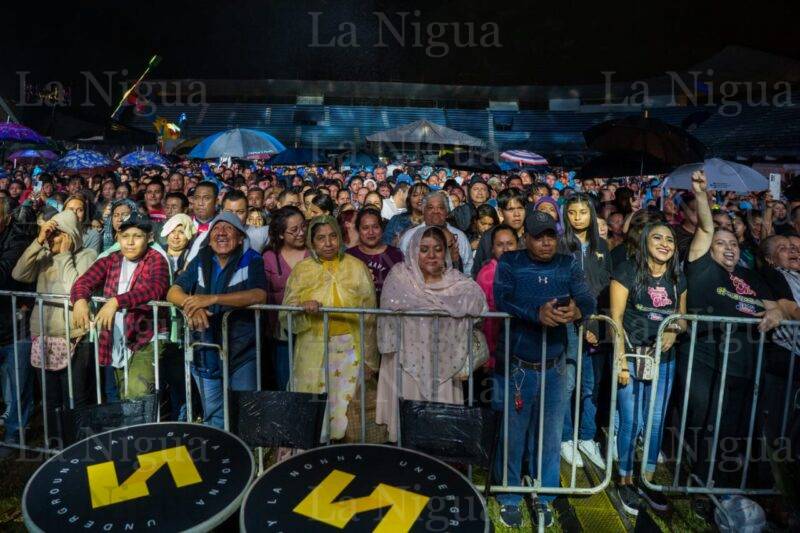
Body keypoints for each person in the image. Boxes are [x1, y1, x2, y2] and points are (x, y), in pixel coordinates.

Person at [681, 171, 787, 491]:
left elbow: (776, 306)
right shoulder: (702, 268)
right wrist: (702, 195)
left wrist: (777, 315)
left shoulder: (750, 277)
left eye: (733, 243)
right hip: (706, 362)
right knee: (704, 426)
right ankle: (700, 482)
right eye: (720, 243)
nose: (729, 248)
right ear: (708, 249)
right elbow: (705, 227)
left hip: (744, 366)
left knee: (732, 428)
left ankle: (728, 483)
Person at [491, 210, 596, 528]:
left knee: (550, 436)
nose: (546, 241)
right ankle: (509, 494)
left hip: (555, 367)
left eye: (550, 235)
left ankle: (545, 494)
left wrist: (579, 308)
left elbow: (589, 299)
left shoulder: (568, 264)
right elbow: (501, 300)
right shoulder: (510, 262)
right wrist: (535, 313)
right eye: (539, 236)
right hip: (518, 366)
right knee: (513, 434)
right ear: (526, 238)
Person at [376, 224, 487, 440]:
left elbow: (479, 304)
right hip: (406, 360)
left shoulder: (458, 282)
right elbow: (388, 308)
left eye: (438, 249)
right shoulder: (400, 277)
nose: (431, 255)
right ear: (414, 250)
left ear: (445, 251)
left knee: (439, 431)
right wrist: (444, 308)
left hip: (444, 361)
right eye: (424, 249)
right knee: (406, 429)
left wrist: (441, 307)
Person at [279, 216, 383, 442]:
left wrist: (369, 360)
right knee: (315, 406)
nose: (328, 244)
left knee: (346, 407)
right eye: (321, 238)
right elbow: (285, 313)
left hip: (351, 350)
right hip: (313, 350)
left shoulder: (357, 268)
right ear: (312, 242)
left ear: (340, 237)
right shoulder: (302, 270)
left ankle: (346, 457)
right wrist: (301, 307)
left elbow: (371, 318)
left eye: (333, 236)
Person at [610, 221, 687, 515]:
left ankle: (648, 480)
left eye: (669, 239)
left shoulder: (678, 276)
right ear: (644, 242)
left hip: (663, 361)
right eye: (657, 237)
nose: (665, 243)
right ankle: (625, 479)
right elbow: (615, 318)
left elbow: (683, 318)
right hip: (630, 355)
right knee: (630, 421)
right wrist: (620, 361)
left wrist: (674, 330)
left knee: (655, 422)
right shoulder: (628, 270)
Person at [168, 212, 267, 428]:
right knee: (214, 413)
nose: (221, 233)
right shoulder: (201, 259)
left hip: (242, 350)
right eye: (216, 229)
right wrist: (191, 305)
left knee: (244, 410)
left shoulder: (252, 259)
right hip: (206, 348)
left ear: (241, 237)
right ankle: (220, 457)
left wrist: (212, 299)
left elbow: (259, 294)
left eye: (228, 228)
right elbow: (173, 291)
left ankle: (247, 457)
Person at [12, 210, 97, 447]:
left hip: (74, 336)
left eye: (56, 234)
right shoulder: (44, 253)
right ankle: (54, 445)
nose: (52, 239)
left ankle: (77, 446)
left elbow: (76, 288)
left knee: (75, 397)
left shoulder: (87, 255)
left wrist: (64, 256)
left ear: (69, 234)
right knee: (50, 398)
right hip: (44, 335)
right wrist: (38, 241)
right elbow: (19, 274)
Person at [70, 212, 170, 401]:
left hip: (146, 337)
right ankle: (128, 431)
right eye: (125, 236)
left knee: (138, 394)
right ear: (117, 238)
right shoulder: (111, 259)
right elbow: (83, 282)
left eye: (137, 236)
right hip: (115, 337)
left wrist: (116, 301)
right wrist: (80, 300)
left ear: (149, 238)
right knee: (119, 394)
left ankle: (142, 430)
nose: (130, 242)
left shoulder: (156, 259)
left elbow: (155, 289)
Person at [558, 193, 611, 470]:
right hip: (568, 324)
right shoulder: (560, 245)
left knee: (590, 385)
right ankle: (565, 437)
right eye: (572, 212)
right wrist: (580, 322)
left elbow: (605, 289)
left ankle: (587, 437)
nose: (577, 217)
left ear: (591, 213)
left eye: (583, 212)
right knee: (567, 383)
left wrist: (595, 325)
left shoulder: (602, 246)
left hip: (596, 324)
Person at [0, 198, 36, 458]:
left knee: (17, 386)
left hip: (15, 326)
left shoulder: (18, 241)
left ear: (7, 218)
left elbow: (4, 272)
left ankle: (15, 436)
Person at [263, 206, 309, 390]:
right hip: (280, 335)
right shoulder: (269, 257)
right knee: (286, 384)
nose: (301, 233)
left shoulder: (314, 254)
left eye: (303, 227)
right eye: (293, 230)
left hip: (311, 333)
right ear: (281, 234)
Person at [475, 224, 518, 405]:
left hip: (517, 350)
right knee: (498, 404)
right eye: (500, 245)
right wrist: (488, 357)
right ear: (492, 248)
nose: (505, 249)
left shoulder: (522, 269)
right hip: (496, 354)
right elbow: (486, 321)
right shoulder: (487, 274)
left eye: (510, 243)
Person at [399, 191, 473, 274]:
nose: (436, 211)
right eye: (430, 207)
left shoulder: (460, 236)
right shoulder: (410, 236)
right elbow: (404, 268)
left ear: (447, 211)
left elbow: (468, 269)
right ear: (423, 210)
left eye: (441, 207)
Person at [346, 207, 403, 301]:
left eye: (375, 227)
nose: (371, 232)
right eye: (365, 228)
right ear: (358, 230)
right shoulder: (349, 255)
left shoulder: (396, 255)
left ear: (382, 229)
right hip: (358, 313)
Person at [471, 188, 526, 277]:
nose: (517, 214)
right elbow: (478, 272)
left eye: (520, 208)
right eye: (511, 209)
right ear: (500, 212)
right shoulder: (489, 237)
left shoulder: (532, 234)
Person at [383, 182, 429, 246]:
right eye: (415, 195)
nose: (420, 198)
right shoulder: (396, 220)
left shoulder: (434, 221)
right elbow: (385, 244)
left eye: (424, 195)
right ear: (409, 199)